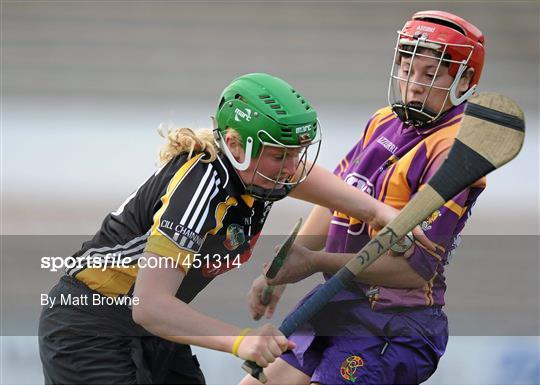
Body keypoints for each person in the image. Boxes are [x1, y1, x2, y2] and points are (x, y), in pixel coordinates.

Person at [38, 73, 411, 384]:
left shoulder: (255, 174)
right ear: (235, 144)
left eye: (296, 153)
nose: (290, 166)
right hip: (89, 328)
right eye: (280, 154)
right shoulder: (203, 185)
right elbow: (149, 306)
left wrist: (378, 211)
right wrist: (241, 341)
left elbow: (305, 177)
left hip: (155, 329)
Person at [243, 10, 486, 385]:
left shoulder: (452, 150)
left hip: (393, 324)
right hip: (337, 301)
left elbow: (413, 269)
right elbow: (337, 197)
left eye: (430, 73)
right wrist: (281, 276)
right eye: (407, 68)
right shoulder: (383, 120)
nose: (413, 84)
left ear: (465, 80)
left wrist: (313, 262)